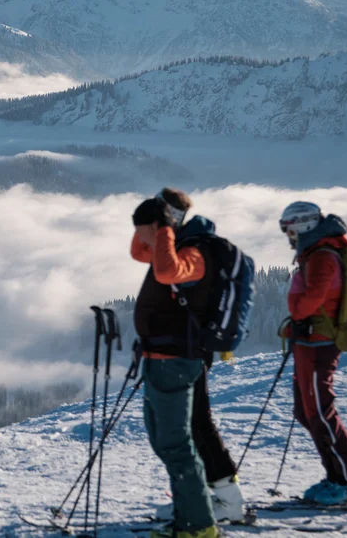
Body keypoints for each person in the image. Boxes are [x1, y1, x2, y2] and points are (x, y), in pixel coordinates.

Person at [131, 188, 239, 538]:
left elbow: (166, 273)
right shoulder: (175, 246)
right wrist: (150, 226)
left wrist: (163, 229)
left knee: (177, 443)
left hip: (176, 361)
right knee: (167, 440)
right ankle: (192, 509)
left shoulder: (195, 252)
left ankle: (198, 524)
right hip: (160, 359)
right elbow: (139, 252)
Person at [279, 202, 347, 506]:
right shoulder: (315, 252)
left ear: (301, 225)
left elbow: (314, 297)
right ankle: (335, 476)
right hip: (309, 341)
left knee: (319, 411)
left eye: (289, 229)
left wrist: (297, 314)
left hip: (319, 342)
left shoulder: (321, 255)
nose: (288, 235)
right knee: (306, 412)